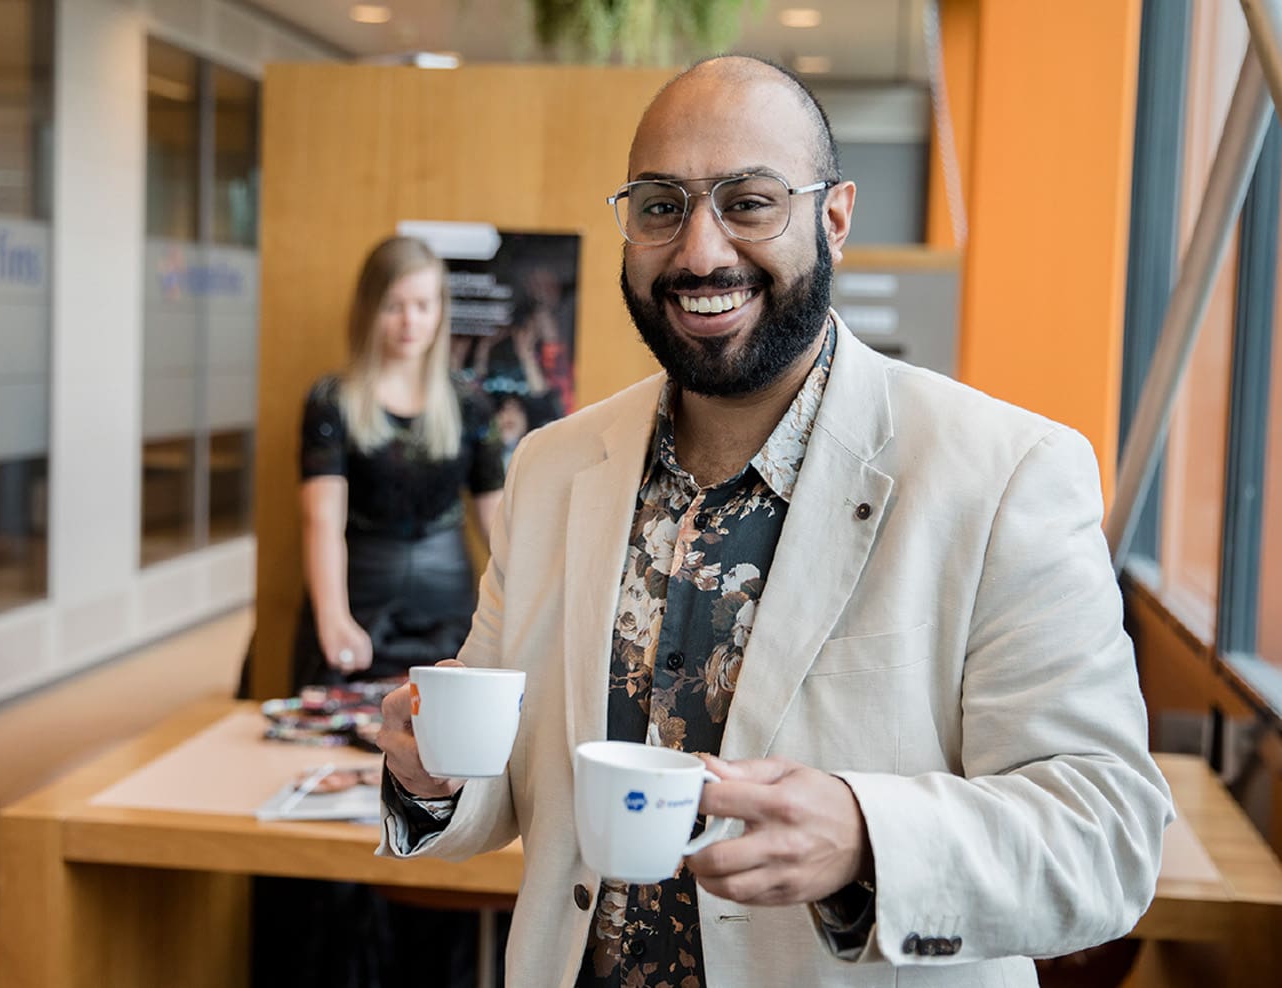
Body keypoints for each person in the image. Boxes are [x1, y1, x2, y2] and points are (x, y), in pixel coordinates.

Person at [375, 55, 1173, 987]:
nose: (700, 252)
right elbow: (508, 784)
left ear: (832, 218)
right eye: (661, 206)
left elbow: (1106, 833)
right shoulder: (553, 467)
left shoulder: (1002, 473)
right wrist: (428, 778)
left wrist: (865, 837)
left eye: (749, 202)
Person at [254, 235, 506, 988]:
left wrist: (515, 625)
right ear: (371, 311)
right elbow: (320, 522)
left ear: (440, 313)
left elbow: (498, 528)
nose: (409, 320)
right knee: (333, 790)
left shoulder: (467, 403)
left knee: (436, 783)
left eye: (423, 305)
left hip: (446, 616)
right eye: (395, 304)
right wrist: (333, 616)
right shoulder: (332, 400)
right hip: (355, 607)